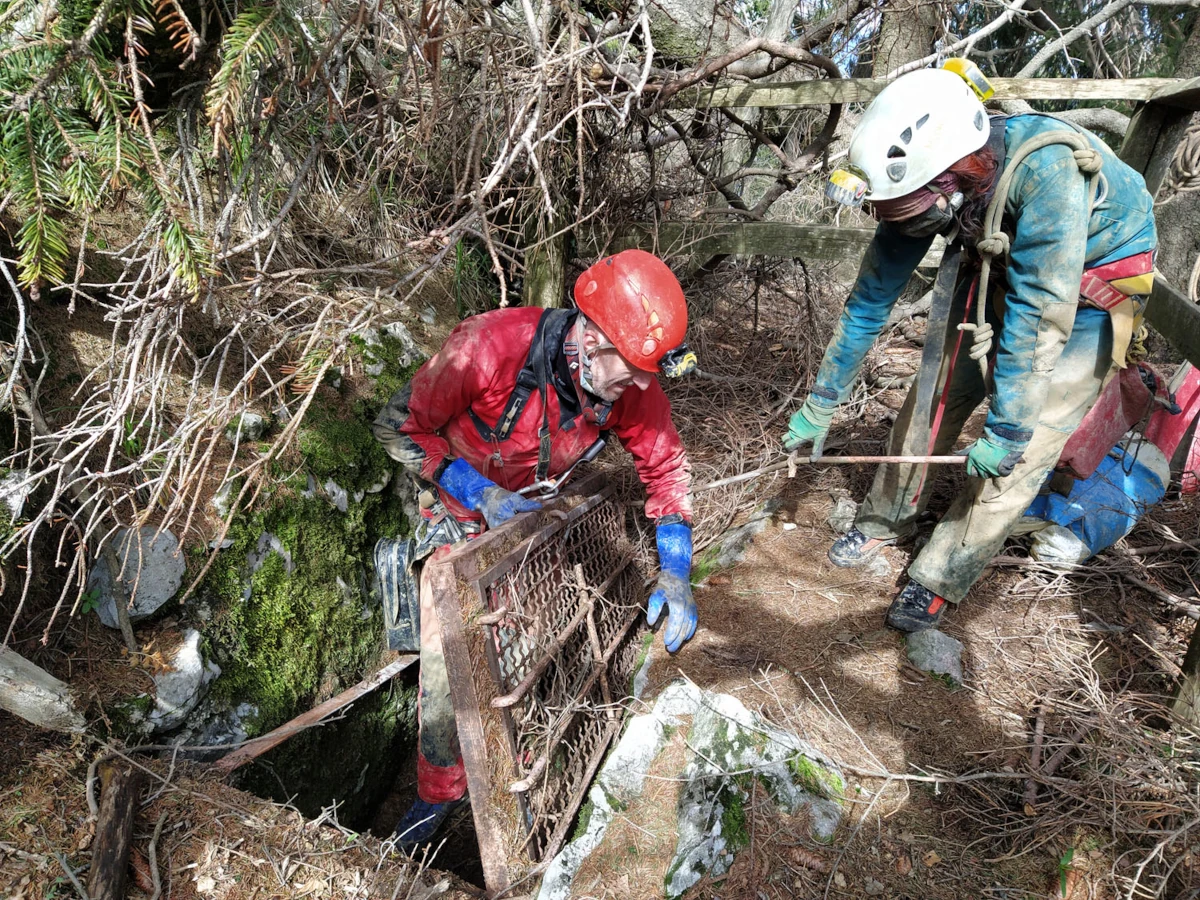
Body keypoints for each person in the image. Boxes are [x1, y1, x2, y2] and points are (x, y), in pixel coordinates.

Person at [782, 61, 1157, 633]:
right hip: (999, 269)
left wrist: (1006, 428)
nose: (902, 223)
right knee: (932, 393)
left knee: (1023, 448)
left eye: (909, 210)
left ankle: (939, 575)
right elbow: (869, 302)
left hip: (1085, 300)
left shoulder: (1048, 172)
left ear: (951, 178)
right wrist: (822, 400)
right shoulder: (929, 185)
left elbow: (1040, 320)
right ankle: (887, 517)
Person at [372, 249, 698, 849]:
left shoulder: (627, 380)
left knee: (527, 655)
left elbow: (665, 469)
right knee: (452, 670)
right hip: (461, 520)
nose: (641, 386)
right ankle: (433, 800)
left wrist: (676, 570)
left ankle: (514, 773)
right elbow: (397, 426)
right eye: (631, 370)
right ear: (591, 338)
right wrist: (477, 490)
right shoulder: (488, 347)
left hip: (532, 526)